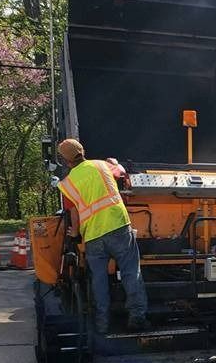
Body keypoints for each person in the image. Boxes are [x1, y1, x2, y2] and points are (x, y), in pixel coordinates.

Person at [57, 138, 148, 335]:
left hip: (93, 236)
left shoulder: (67, 184)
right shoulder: (101, 165)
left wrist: (76, 232)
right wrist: (114, 163)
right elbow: (122, 173)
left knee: (98, 280)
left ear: (66, 161)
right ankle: (137, 317)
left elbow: (73, 213)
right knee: (131, 272)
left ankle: (102, 325)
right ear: (83, 151)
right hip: (118, 226)